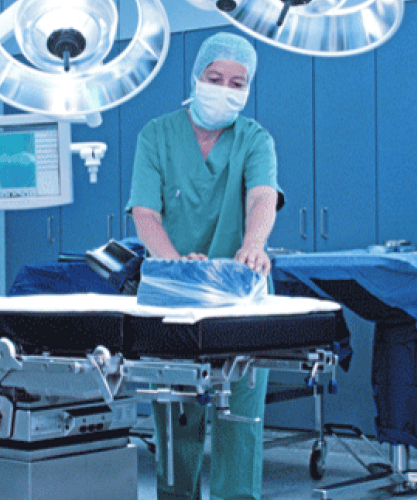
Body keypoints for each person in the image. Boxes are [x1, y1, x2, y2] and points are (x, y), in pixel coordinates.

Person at [126, 32, 279, 500]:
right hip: (176, 298)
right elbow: (145, 213)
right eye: (215, 78)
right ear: (196, 77)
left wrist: (253, 245)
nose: (225, 89)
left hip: (240, 295)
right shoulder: (156, 135)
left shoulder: (254, 139)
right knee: (177, 422)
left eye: (238, 82)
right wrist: (174, 268)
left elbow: (262, 197)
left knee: (239, 423)